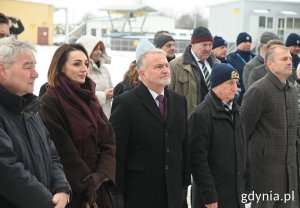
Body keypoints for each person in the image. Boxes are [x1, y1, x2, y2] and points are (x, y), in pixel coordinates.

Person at [109, 49, 190, 208]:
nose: (166, 70)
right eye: (159, 66)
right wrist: (117, 193)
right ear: (142, 74)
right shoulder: (126, 104)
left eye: (166, 65)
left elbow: (184, 146)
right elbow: (116, 151)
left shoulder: (179, 101)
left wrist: (184, 184)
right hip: (140, 192)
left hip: (173, 192)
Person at [39, 43, 116, 208]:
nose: (84, 69)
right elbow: (62, 149)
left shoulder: (90, 97)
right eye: (76, 64)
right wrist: (88, 181)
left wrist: (102, 174)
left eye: (86, 63)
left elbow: (108, 137)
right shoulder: (50, 101)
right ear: (60, 68)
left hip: (99, 186)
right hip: (72, 188)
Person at [0, 37, 71, 207]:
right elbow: (7, 171)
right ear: (2, 69)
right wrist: (48, 203)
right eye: (27, 67)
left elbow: (52, 155)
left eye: (34, 66)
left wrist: (62, 189)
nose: (35, 73)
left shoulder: (28, 109)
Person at [241, 45, 299, 207]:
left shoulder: (293, 91)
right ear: (270, 64)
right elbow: (243, 132)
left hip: (290, 174)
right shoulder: (258, 91)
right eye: (284, 59)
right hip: (264, 175)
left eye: (290, 59)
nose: (289, 62)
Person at [189, 63, 246, 208]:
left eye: (236, 83)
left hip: (235, 194)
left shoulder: (237, 111)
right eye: (230, 83)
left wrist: (246, 186)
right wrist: (209, 196)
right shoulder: (201, 115)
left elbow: (242, 150)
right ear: (216, 85)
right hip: (213, 197)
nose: (235, 88)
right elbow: (198, 161)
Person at [169, 26, 220, 117]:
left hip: (214, 119)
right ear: (193, 44)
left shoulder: (218, 64)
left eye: (210, 44)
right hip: (189, 120)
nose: (208, 49)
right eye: (204, 45)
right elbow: (168, 96)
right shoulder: (175, 66)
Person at [76, 35, 113, 118]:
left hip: (105, 115)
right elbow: (79, 93)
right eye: (95, 49)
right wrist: (103, 94)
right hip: (89, 116)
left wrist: (112, 92)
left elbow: (110, 87)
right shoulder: (83, 70)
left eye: (100, 49)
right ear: (87, 50)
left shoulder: (105, 70)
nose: (99, 52)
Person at [226, 32, 255, 105]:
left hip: (254, 95)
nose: (248, 44)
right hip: (239, 98)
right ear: (238, 44)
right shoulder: (231, 58)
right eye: (245, 42)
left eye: (249, 42)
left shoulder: (255, 58)